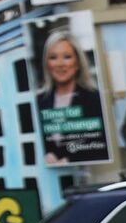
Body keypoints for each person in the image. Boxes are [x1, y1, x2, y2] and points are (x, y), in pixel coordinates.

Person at [36, 28, 106, 165]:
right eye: (53, 57)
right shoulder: (39, 101)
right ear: (47, 64)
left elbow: (102, 146)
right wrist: (46, 155)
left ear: (78, 62)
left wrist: (70, 160)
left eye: (67, 57)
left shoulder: (94, 98)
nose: (60, 64)